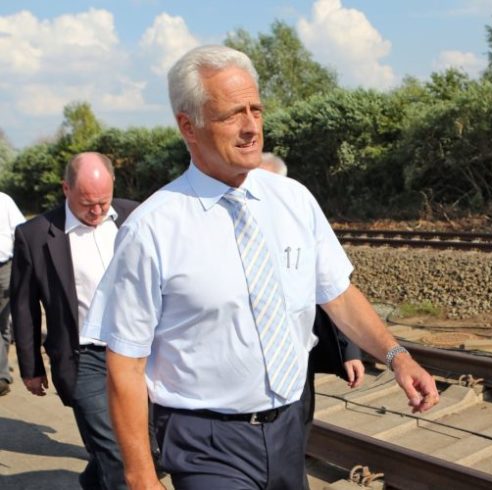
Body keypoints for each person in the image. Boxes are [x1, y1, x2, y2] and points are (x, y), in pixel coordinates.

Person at [82, 45, 439, 490]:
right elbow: (125, 364)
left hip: (290, 426)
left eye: (256, 109)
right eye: (233, 114)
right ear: (187, 126)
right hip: (206, 440)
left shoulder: (293, 201)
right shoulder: (153, 229)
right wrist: (141, 478)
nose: (251, 127)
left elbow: (338, 295)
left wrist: (396, 356)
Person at [11, 152, 138, 490]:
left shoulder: (136, 216)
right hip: (83, 359)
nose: (96, 212)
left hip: (138, 353)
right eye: (87, 203)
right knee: (119, 450)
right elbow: (24, 305)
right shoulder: (36, 234)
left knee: (143, 444)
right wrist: (30, 366)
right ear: (66, 188)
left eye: (103, 202)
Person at [258, 152, 366, 445]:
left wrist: (349, 351)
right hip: (249, 368)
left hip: (297, 359)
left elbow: (336, 293)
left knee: (296, 437)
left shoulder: (302, 224)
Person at [0, 191, 25, 397]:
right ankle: (2, 372)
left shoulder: (4, 201)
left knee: (3, 321)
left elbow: (21, 232)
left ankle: (2, 371)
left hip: (4, 268)